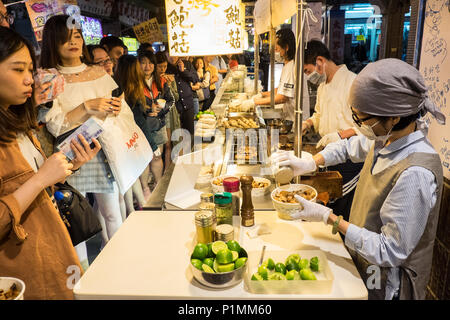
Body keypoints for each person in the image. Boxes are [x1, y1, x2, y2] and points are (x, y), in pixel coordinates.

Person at [271, 58, 446, 300]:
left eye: (361, 119)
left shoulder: (415, 173)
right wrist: (312, 162)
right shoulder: (386, 136)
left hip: (388, 281)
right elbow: (351, 146)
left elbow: (389, 250)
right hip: (365, 261)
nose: (358, 125)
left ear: (393, 117)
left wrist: (328, 217)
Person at [0, 26, 101, 299]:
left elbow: (37, 182)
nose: (29, 80)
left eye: (29, 70)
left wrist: (71, 165)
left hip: (52, 250)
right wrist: (42, 178)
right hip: (24, 272)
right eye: (17, 69)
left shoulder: (19, 125)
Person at [40, 15, 130, 253]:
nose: (73, 42)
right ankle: (82, 277)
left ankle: (119, 259)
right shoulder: (48, 77)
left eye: (77, 36)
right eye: (65, 38)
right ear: (53, 42)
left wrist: (118, 107)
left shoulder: (98, 72)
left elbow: (119, 104)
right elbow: (54, 124)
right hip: (69, 156)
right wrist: (86, 107)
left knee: (112, 212)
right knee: (75, 217)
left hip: (102, 151)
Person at [241, 28, 310, 123]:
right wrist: (262, 94)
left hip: (296, 122)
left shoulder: (292, 66)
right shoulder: (287, 65)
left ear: (286, 47)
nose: (275, 53)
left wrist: (255, 102)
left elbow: (282, 97)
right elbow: (281, 89)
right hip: (289, 117)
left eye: (277, 49)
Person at [142, 52, 175, 184]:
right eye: (143, 62)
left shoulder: (160, 81)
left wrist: (162, 110)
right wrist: (147, 110)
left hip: (158, 125)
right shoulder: (134, 83)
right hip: (142, 127)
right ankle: (145, 188)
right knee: (144, 159)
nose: (147, 66)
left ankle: (158, 184)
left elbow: (171, 101)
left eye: (150, 63)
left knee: (156, 156)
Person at [154, 52, 180, 171]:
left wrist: (169, 84)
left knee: (169, 144)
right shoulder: (152, 80)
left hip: (169, 114)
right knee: (161, 146)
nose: (163, 69)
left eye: (164, 66)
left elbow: (176, 97)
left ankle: (167, 170)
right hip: (157, 115)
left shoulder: (169, 78)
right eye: (160, 66)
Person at [165, 52, 197, 140]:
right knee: (177, 136)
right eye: (169, 54)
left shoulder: (187, 64)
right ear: (166, 54)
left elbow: (195, 79)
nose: (172, 57)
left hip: (188, 105)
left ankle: (190, 151)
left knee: (190, 134)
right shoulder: (165, 67)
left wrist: (183, 71)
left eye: (174, 54)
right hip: (174, 108)